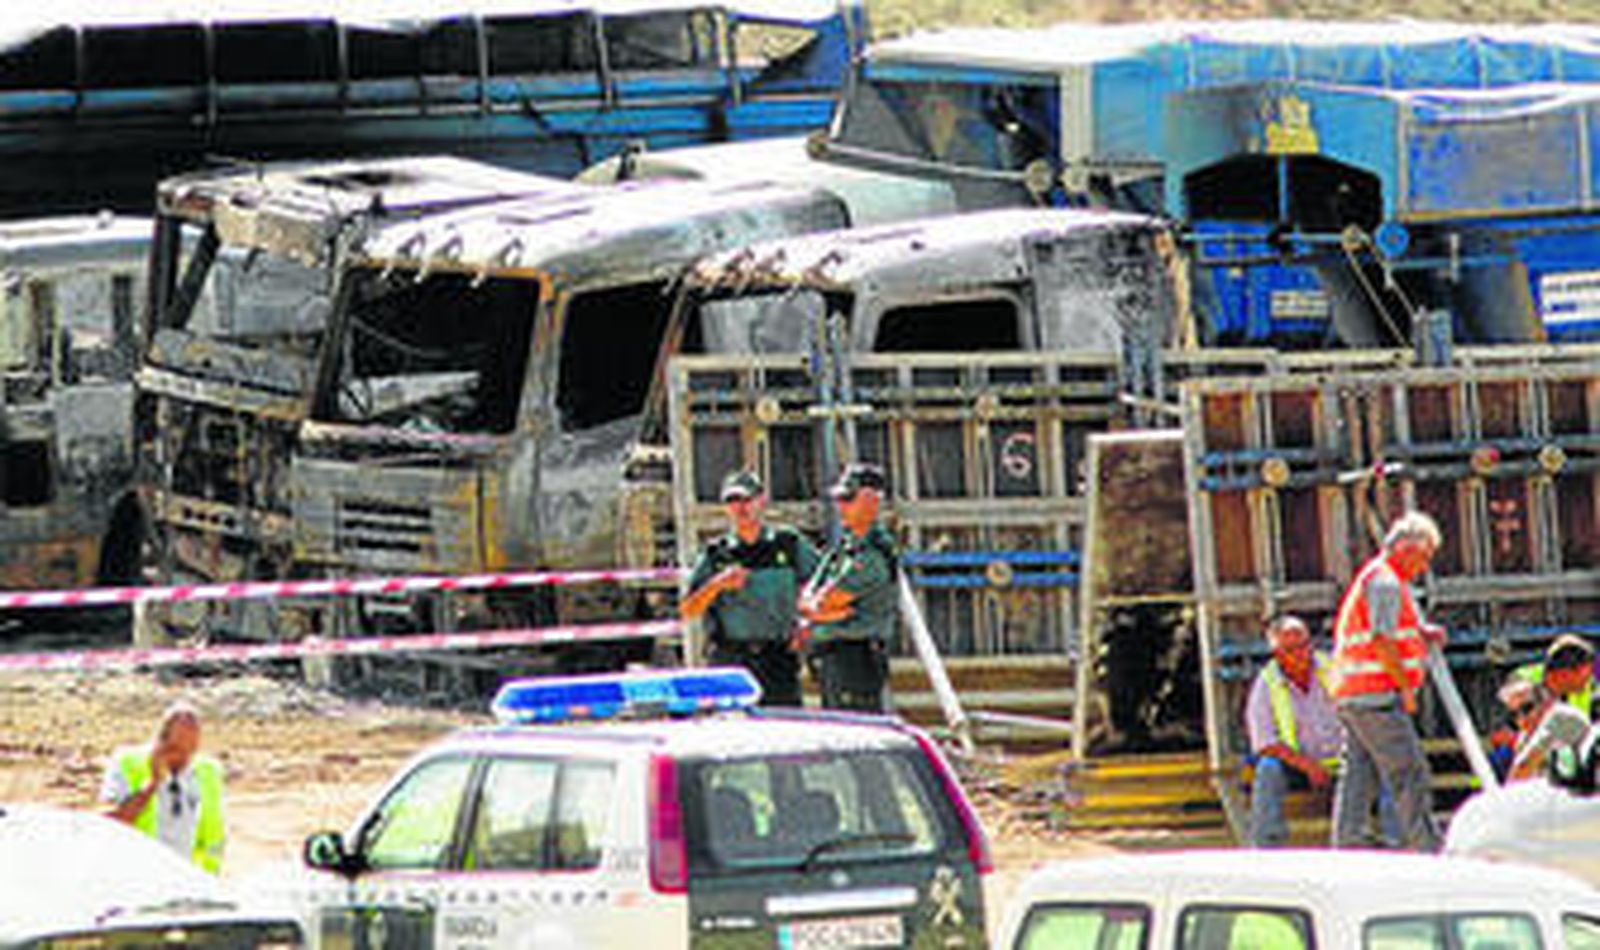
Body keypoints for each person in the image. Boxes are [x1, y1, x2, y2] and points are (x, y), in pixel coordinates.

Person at [1329, 510, 1448, 852]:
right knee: (1410, 772)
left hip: (1354, 696)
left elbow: (1386, 629)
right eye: (1423, 557)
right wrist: (1405, 687)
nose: (1423, 567)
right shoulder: (1386, 582)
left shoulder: (1377, 577)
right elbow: (1382, 640)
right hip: (1376, 696)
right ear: (1406, 548)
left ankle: (1347, 844)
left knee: (1358, 777)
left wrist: (1419, 632)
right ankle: (1426, 847)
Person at [681, 469, 819, 706]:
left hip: (778, 659)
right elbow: (688, 609)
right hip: (731, 661)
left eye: (747, 499)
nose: (740, 507)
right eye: (732, 501)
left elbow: (823, 583)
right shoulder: (717, 554)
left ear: (761, 501)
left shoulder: (788, 544)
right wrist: (717, 584)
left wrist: (808, 623)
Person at [798, 462, 900, 712]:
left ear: (871, 501)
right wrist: (820, 610)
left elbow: (823, 601)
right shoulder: (846, 546)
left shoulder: (871, 555)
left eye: (848, 498)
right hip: (835, 658)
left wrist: (817, 610)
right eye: (840, 499)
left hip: (856, 660)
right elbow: (807, 600)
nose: (840, 507)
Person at [1245, 615, 1343, 847]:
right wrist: (1308, 766)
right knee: (1268, 769)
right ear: (1278, 655)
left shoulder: (1332, 668)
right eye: (1291, 649)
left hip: (1346, 760)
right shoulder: (1266, 683)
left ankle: (1397, 845)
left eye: (1304, 645)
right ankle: (1266, 849)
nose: (1301, 653)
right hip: (1297, 766)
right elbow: (1265, 742)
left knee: (1384, 764)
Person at [100, 701, 226, 873]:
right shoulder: (128, 763)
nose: (183, 758)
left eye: (190, 751)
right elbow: (108, 824)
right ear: (160, 742)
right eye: (175, 749)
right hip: (139, 878)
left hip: (190, 881)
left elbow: (214, 836)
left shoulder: (209, 771)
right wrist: (152, 785)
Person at [1497, 677, 1589, 783]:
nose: (1522, 719)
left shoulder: (1560, 717)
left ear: (1544, 701)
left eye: (1527, 708)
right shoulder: (1525, 736)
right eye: (1513, 715)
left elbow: (1523, 768)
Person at [1516, 634, 1598, 721]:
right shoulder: (1520, 683)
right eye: (1584, 677)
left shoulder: (1586, 689)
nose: (1587, 682)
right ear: (1564, 674)